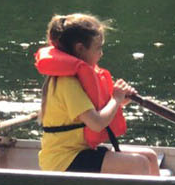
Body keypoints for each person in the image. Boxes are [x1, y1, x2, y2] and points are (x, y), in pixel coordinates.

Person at [35, 13, 160, 175]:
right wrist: (116, 98)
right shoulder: (68, 83)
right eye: (98, 48)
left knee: (149, 157)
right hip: (64, 159)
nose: (101, 53)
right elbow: (96, 123)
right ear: (80, 49)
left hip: (81, 151)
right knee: (139, 164)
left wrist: (120, 100)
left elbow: (96, 110)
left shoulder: (78, 77)